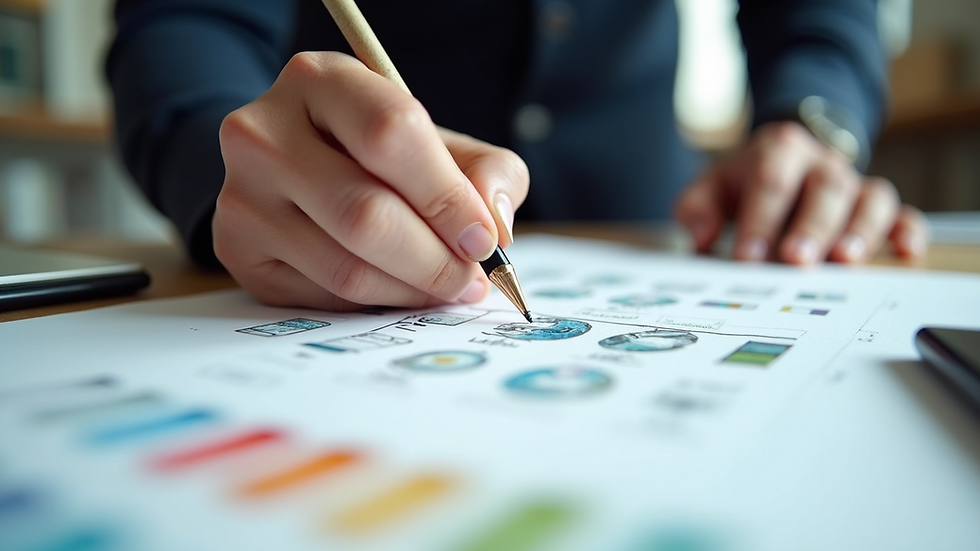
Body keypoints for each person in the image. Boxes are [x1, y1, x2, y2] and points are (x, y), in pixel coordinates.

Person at [107, 0, 927, 312]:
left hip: (670, 225)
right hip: (325, 237)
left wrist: (811, 120)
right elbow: (186, 24)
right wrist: (232, 164)